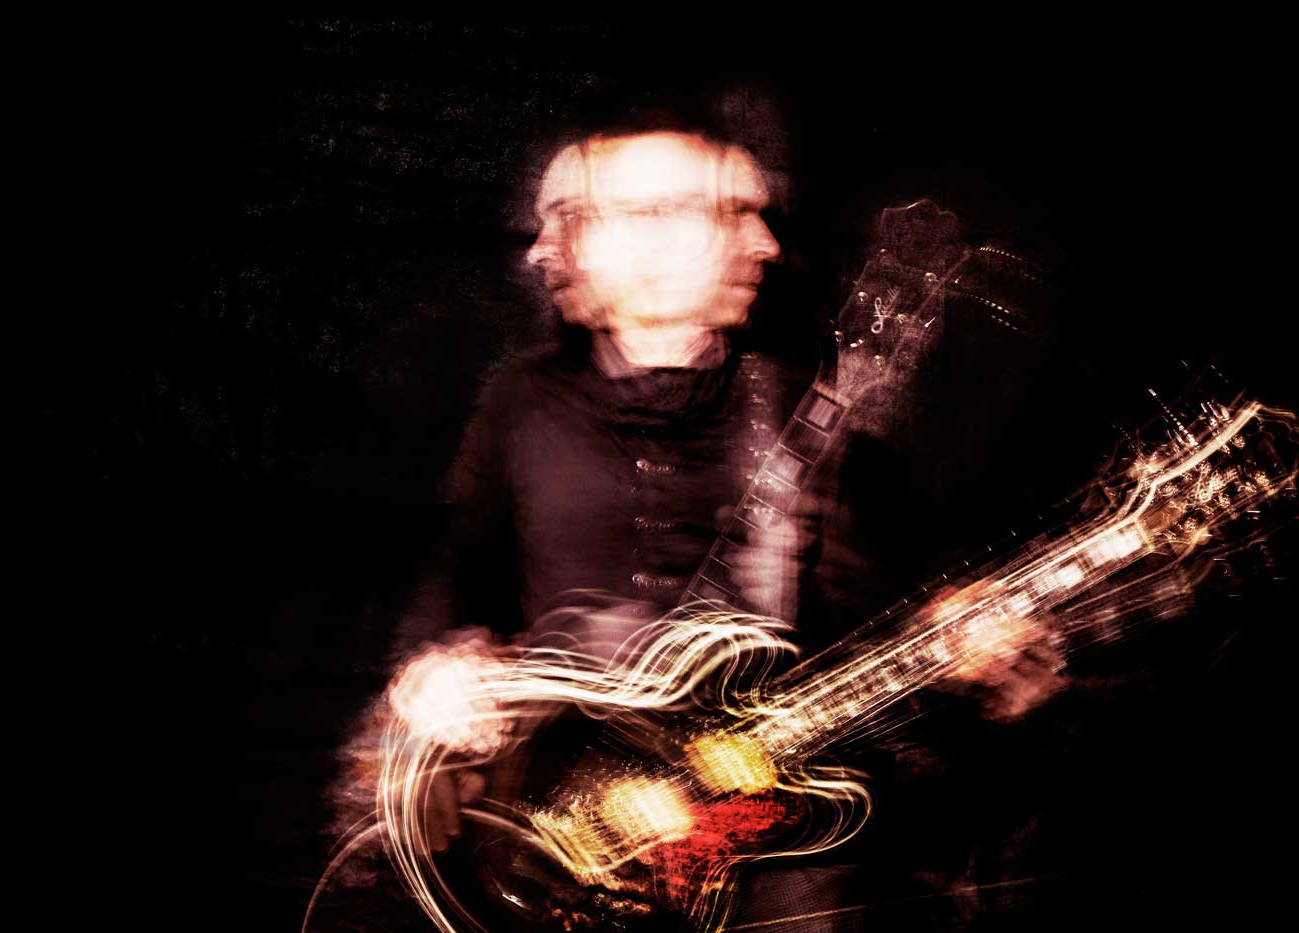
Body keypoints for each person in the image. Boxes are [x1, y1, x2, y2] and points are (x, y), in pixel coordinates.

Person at [344, 118, 1063, 930]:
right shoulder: (524, 403)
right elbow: (455, 579)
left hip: (768, 856)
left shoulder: (808, 408)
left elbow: (884, 630)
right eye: (723, 212)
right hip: (551, 844)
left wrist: (972, 658)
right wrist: (435, 670)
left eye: (754, 214)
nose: (762, 242)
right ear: (618, 239)